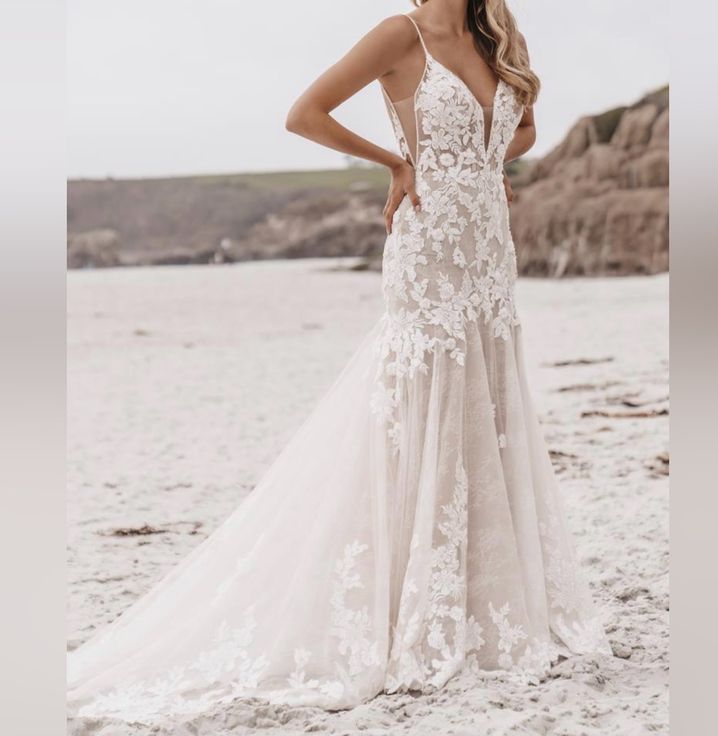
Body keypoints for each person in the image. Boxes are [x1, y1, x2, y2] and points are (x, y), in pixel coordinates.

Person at [68, 0, 610, 724]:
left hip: (488, 251)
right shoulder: (400, 33)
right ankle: (408, 598)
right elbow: (305, 113)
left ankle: (485, 602)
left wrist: (479, 161)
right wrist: (400, 160)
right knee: (426, 403)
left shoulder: (493, 34)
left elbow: (527, 127)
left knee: (488, 404)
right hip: (428, 255)